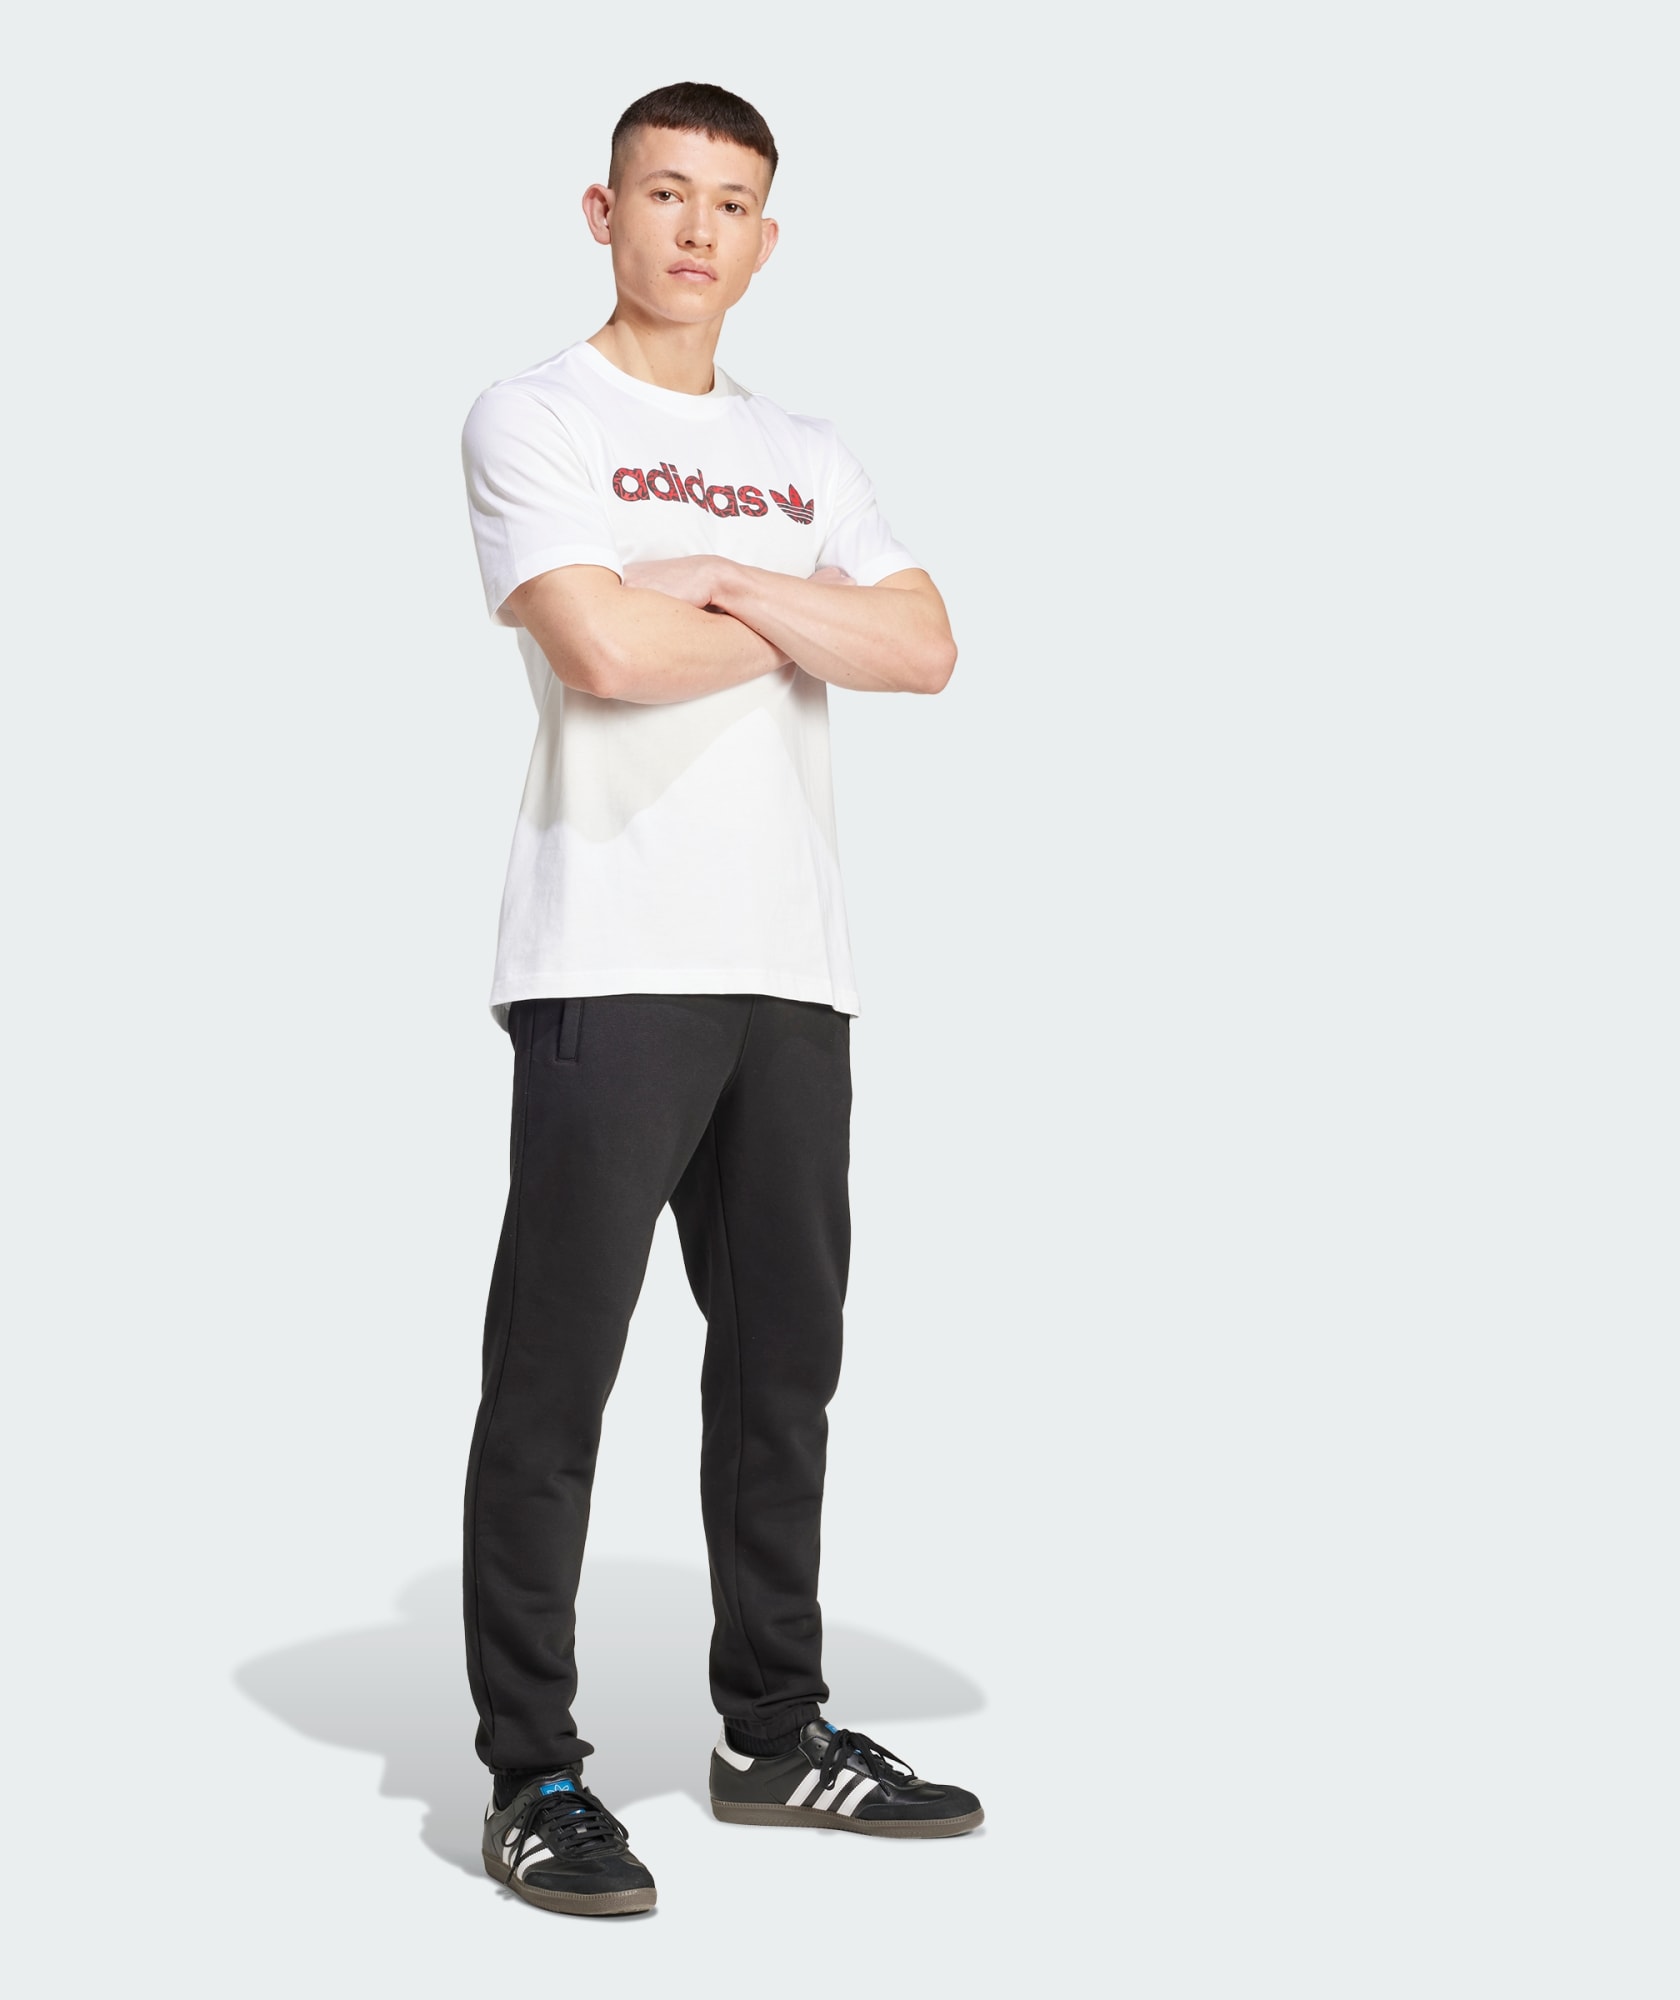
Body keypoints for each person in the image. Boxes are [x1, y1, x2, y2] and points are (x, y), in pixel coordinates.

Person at [459, 81, 981, 1919]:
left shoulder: (803, 449)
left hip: (791, 969)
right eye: (665, 192)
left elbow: (924, 646)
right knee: (559, 1376)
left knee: (783, 1377)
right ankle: (533, 1772)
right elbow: (603, 650)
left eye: (732, 201)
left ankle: (775, 1732)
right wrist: (795, 613)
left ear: (767, 237)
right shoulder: (536, 414)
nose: (697, 227)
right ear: (601, 212)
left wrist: (722, 580)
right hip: (610, 954)